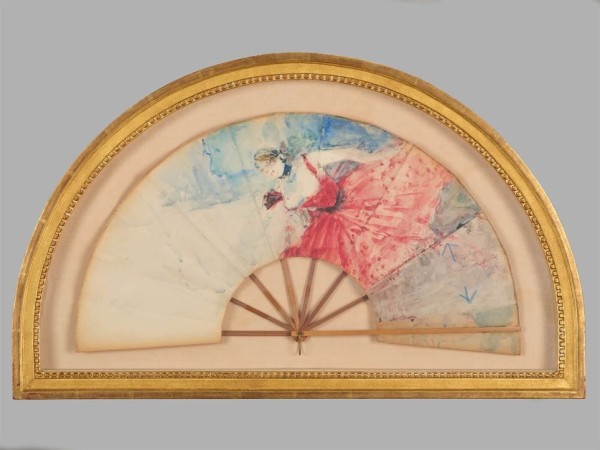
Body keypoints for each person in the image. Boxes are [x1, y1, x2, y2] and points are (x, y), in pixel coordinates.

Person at [253, 139, 448, 289]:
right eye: (263, 170)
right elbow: (295, 217)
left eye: (268, 165)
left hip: (351, 201)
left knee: (387, 224)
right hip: (326, 223)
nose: (267, 172)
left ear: (279, 157)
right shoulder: (281, 188)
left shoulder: (307, 161)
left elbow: (346, 153)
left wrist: (376, 157)